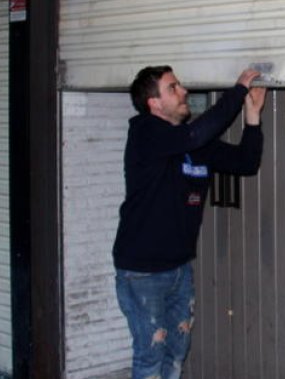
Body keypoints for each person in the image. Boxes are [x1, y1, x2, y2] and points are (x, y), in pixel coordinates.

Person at [112, 65, 267, 379]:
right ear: (154, 103)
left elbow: (246, 163)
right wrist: (237, 91)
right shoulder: (145, 131)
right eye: (173, 88)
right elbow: (196, 132)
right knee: (151, 353)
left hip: (178, 268)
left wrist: (252, 115)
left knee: (176, 352)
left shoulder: (195, 147)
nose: (183, 92)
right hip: (142, 271)